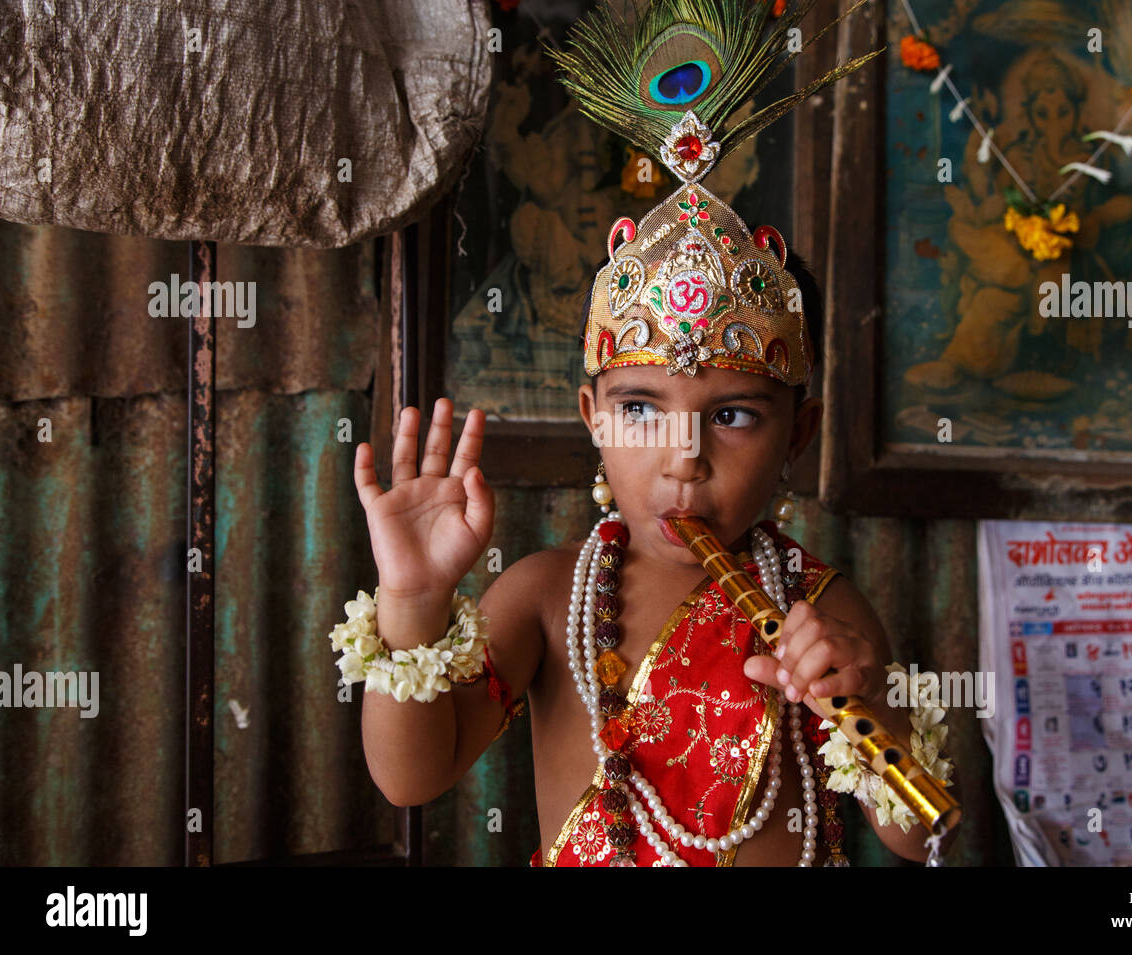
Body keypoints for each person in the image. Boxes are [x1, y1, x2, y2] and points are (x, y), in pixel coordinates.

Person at [343, 0, 958, 867]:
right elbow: (413, 777)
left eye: (734, 415)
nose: (685, 455)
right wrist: (410, 601)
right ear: (592, 419)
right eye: (640, 408)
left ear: (799, 435)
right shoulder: (548, 599)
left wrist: (861, 703)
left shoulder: (819, 612)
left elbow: (910, 831)